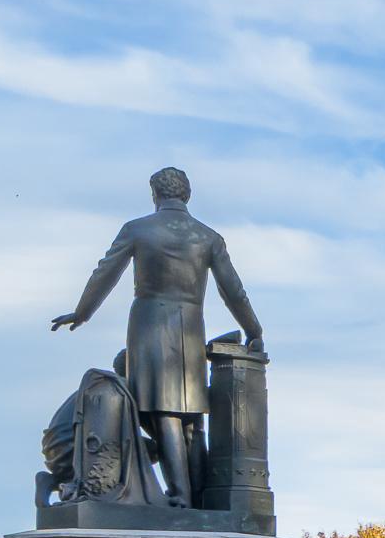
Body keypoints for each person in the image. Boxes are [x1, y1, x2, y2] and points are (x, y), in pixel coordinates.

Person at [51, 167, 264, 507]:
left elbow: (104, 273)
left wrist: (82, 312)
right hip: (190, 326)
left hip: (150, 325)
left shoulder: (138, 230)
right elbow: (233, 291)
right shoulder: (208, 238)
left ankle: (181, 496)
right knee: (190, 418)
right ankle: (194, 497)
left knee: (162, 412)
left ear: (155, 194)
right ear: (187, 194)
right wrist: (254, 330)